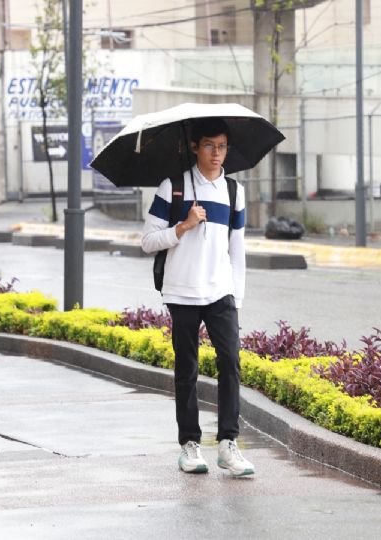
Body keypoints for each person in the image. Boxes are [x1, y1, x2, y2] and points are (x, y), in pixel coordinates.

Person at [141, 117, 255, 477]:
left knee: (230, 364)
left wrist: (236, 298)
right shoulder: (171, 187)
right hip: (182, 291)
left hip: (220, 291)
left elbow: (238, 250)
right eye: (209, 145)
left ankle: (227, 444)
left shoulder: (234, 192)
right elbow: (148, 241)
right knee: (187, 370)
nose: (216, 153)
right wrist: (184, 226)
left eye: (222, 146)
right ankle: (190, 444)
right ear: (195, 147)